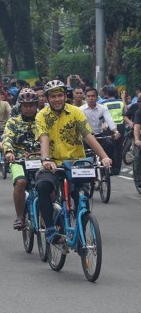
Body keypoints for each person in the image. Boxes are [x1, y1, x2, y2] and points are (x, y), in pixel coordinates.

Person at [34, 80, 112, 245]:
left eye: (60, 95)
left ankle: (82, 228)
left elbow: (88, 136)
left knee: (82, 197)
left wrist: (104, 156)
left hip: (76, 163)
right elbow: (44, 139)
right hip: (53, 163)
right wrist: (46, 160)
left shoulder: (76, 112)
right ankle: (50, 229)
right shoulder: (42, 116)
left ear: (65, 96)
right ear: (47, 98)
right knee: (42, 186)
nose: (57, 99)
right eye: (53, 96)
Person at [1, 89, 40, 230]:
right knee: (21, 182)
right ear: (20, 107)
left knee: (49, 186)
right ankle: (19, 216)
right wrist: (9, 152)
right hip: (18, 160)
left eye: (32, 105)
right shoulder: (13, 121)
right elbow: (7, 138)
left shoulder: (43, 120)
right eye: (25, 106)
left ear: (36, 105)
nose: (29, 109)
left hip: (41, 159)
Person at [80, 87, 119, 166]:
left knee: (110, 145)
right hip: (86, 137)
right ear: (85, 97)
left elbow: (109, 120)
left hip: (99, 135)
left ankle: (109, 165)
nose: (91, 98)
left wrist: (115, 131)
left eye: (93, 96)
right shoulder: (80, 110)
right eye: (89, 96)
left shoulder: (103, 108)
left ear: (97, 97)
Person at [100, 86, 125, 175]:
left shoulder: (103, 104)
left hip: (109, 127)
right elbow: (124, 112)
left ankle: (110, 167)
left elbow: (102, 117)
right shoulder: (121, 102)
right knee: (119, 148)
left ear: (106, 94)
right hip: (120, 127)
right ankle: (117, 169)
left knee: (109, 147)